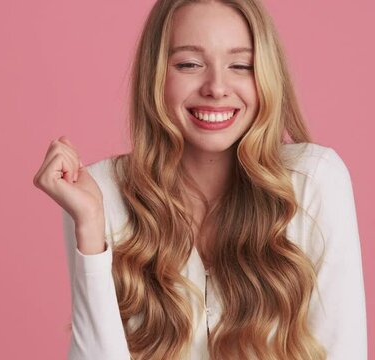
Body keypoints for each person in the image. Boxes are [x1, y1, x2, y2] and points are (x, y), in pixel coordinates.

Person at [32, 0, 367, 359]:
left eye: (241, 65)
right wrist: (90, 228)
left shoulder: (313, 181)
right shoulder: (98, 194)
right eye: (189, 64)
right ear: (156, 74)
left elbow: (343, 349)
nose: (216, 87)